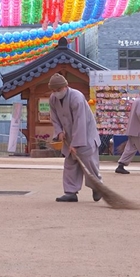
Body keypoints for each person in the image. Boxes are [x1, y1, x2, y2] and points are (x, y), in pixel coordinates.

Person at [48, 73, 102, 203]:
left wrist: (76, 143)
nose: (56, 92)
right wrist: (59, 132)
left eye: (58, 90)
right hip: (69, 135)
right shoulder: (53, 99)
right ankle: (70, 192)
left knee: (88, 163)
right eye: (53, 90)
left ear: (66, 86)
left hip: (86, 135)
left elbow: (80, 121)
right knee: (70, 164)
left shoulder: (76, 97)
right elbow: (54, 117)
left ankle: (98, 187)